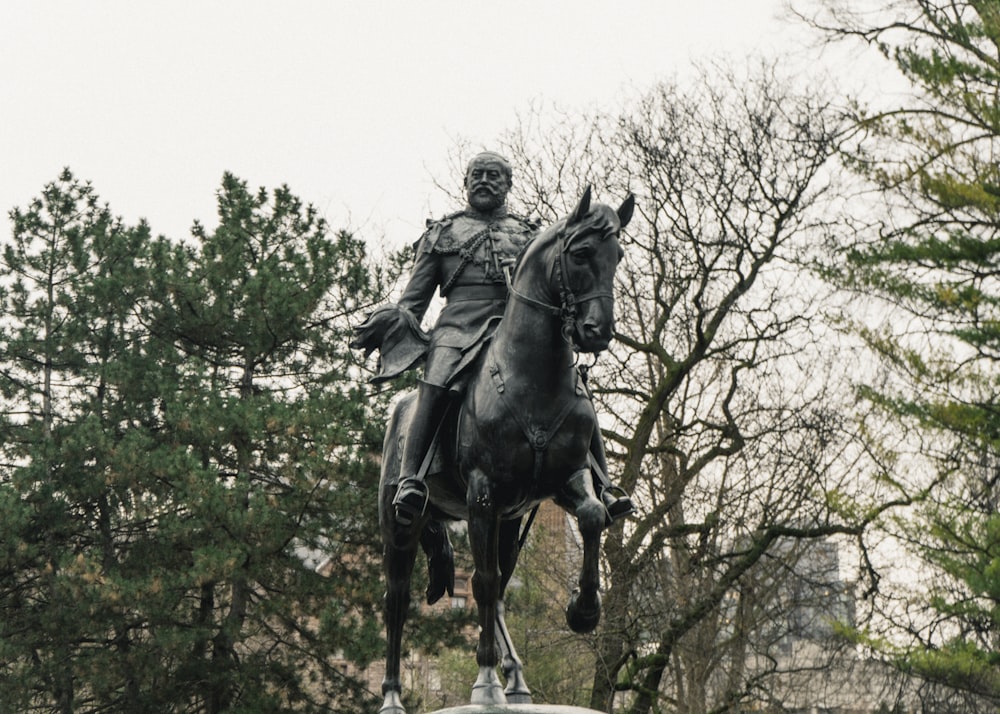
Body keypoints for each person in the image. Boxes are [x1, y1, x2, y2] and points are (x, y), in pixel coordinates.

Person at [354, 152, 634, 527]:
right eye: (477, 175)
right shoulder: (442, 234)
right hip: (458, 330)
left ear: (508, 185)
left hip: (517, 332)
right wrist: (396, 318)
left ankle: (603, 483)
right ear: (466, 182)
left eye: (494, 176)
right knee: (436, 382)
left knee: (575, 383)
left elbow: (556, 285)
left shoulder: (529, 234)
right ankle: (412, 479)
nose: (484, 181)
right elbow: (414, 300)